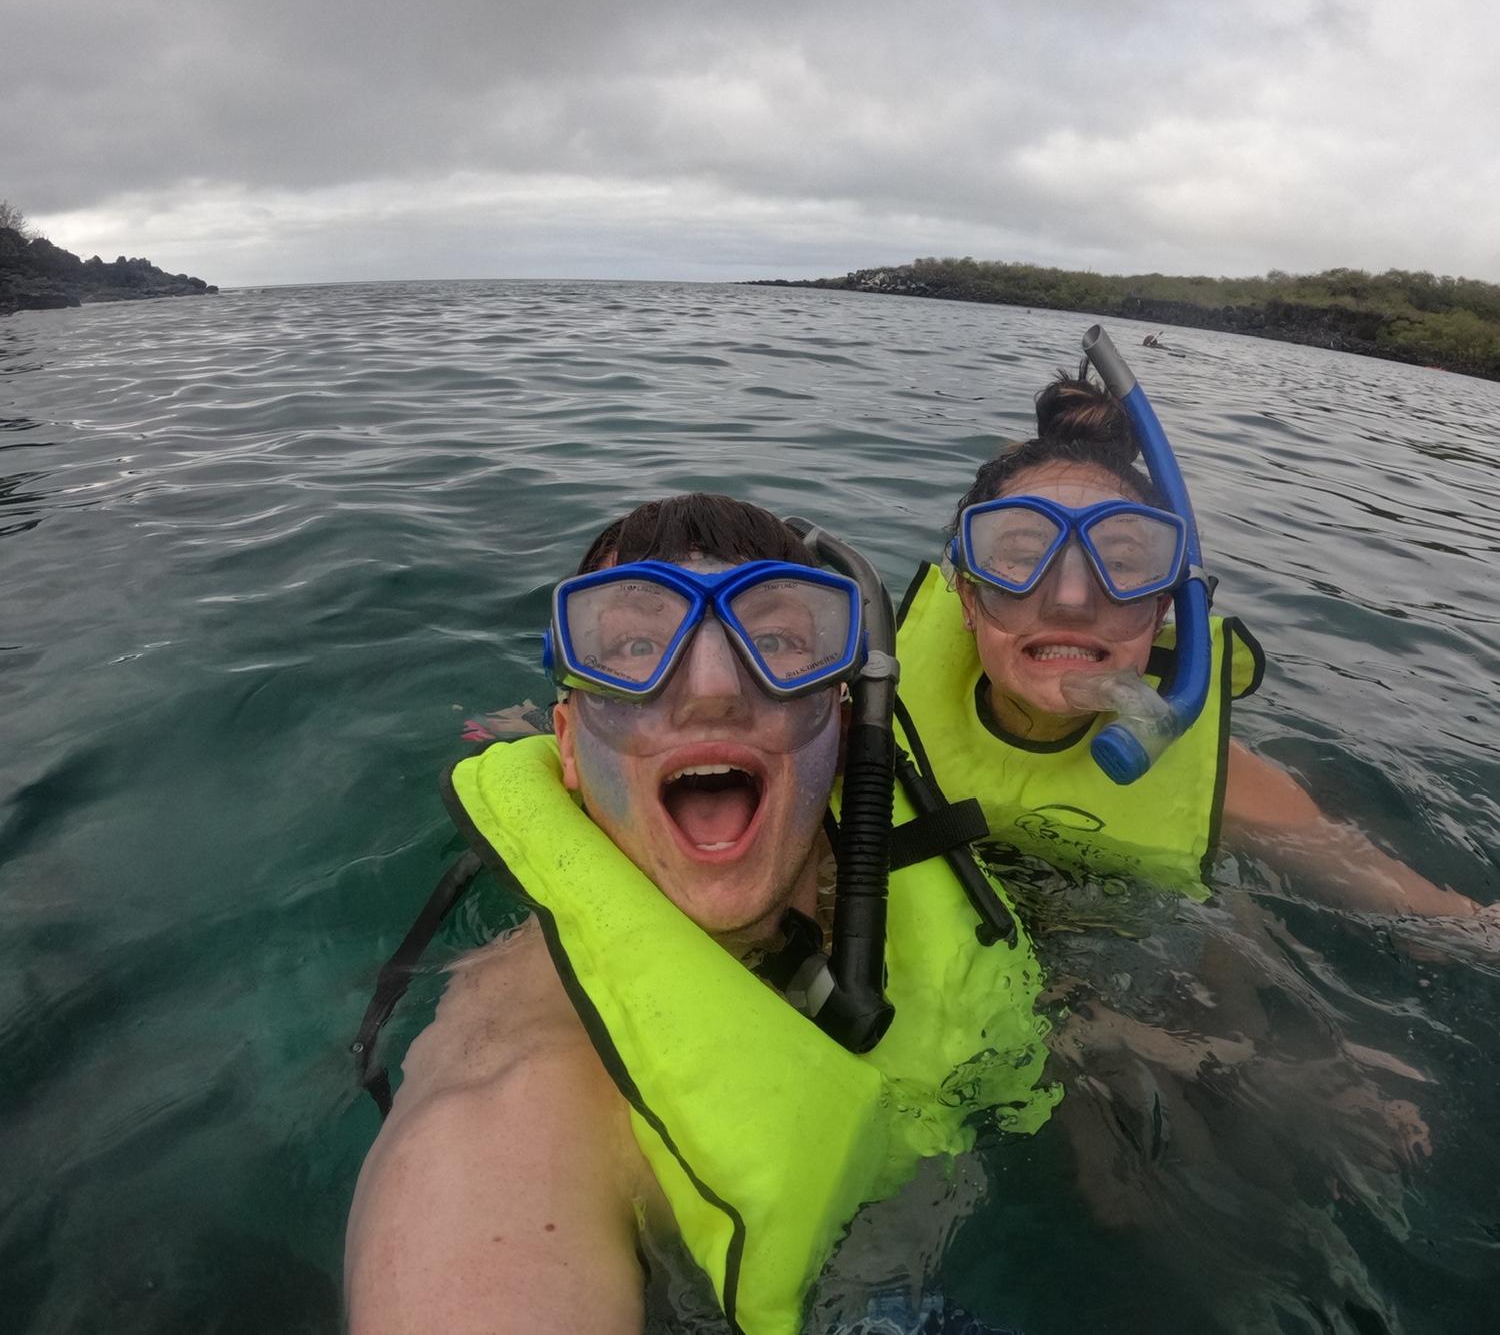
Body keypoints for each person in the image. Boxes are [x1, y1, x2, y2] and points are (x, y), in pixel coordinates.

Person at [345, 493, 1056, 1335]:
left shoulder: (925, 887)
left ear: (839, 730)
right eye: (637, 647)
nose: (713, 690)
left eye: (776, 643)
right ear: (567, 744)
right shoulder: (504, 1120)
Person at [895, 330, 1490, 920]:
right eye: (1025, 557)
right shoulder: (866, 714)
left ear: (1161, 611)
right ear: (967, 597)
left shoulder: (1230, 787)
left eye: (1120, 563)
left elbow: (1444, 920)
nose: (1071, 599)